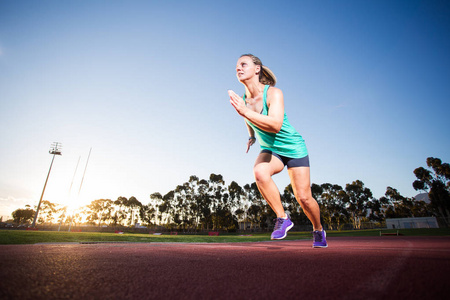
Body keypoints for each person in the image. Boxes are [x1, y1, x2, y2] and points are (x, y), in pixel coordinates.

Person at [228, 54, 327, 248]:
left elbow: (275, 125)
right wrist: (252, 136)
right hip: (270, 149)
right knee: (260, 172)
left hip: (293, 148)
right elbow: (248, 120)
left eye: (243, 64)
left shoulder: (273, 94)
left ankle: (318, 229)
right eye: (236, 66)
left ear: (257, 69)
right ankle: (282, 217)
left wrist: (245, 112)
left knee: (304, 198)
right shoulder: (242, 100)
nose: (238, 68)